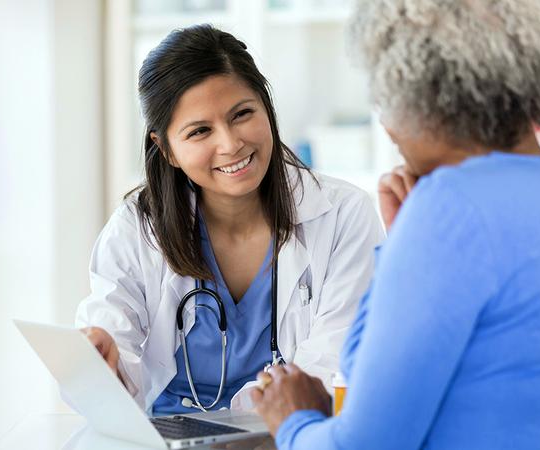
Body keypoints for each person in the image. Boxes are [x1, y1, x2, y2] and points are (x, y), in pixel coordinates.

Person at [252, 0, 540, 448]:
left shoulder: (448, 209)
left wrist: (293, 421)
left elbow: (365, 444)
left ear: (419, 97)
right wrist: (403, 242)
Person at [75, 24, 384, 415]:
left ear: (266, 108)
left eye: (242, 114)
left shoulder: (343, 215)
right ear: (166, 148)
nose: (230, 143)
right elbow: (111, 344)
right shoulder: (136, 230)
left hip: (287, 435)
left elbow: (335, 362)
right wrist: (101, 363)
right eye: (200, 131)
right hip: (169, 439)